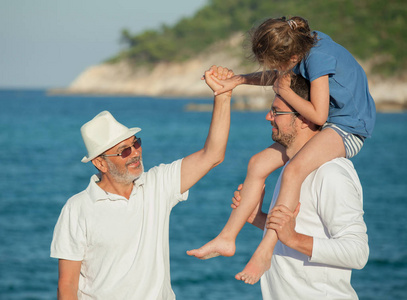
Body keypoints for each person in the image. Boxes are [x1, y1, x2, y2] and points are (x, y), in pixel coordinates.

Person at [187, 16, 375, 284]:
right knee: (258, 163)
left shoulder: (318, 58)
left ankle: (264, 251)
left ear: (291, 56)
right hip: (332, 122)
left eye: (277, 66)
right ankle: (227, 238)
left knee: (294, 170)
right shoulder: (304, 43)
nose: (275, 72)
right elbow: (278, 79)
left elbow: (319, 116)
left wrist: (284, 92)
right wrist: (237, 80)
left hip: (348, 128)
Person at [50, 65, 234, 299]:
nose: (136, 153)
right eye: (124, 151)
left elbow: (213, 155)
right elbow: (67, 286)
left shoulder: (158, 184)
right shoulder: (77, 209)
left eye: (136, 143)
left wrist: (223, 96)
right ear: (101, 163)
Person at [233, 74, 369, 299]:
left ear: (304, 118)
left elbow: (358, 252)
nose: (268, 117)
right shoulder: (290, 170)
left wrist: (294, 239)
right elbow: (296, 228)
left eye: (276, 112)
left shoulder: (331, 172)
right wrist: (258, 218)